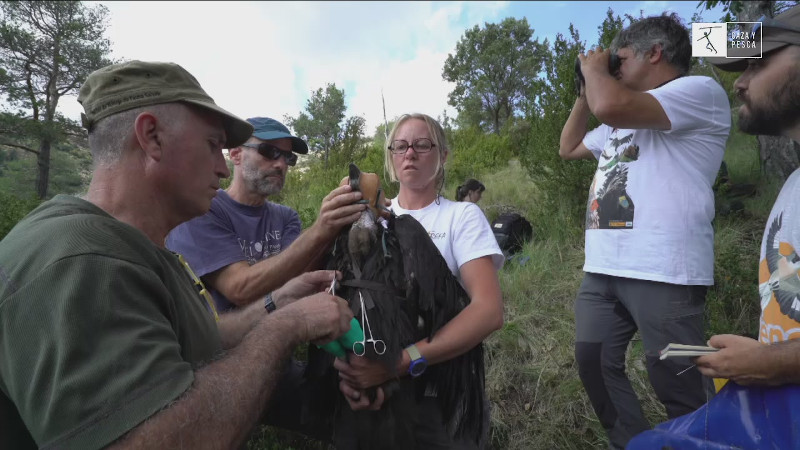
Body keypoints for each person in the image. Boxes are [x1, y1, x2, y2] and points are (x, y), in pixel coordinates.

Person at [0, 60, 357, 449]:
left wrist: (280, 302)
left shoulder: (136, 247)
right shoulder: (80, 261)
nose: (222, 168)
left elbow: (201, 336)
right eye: (211, 145)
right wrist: (287, 327)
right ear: (151, 137)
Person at [626, 6, 800, 447]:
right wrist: (765, 356)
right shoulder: (793, 186)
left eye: (757, 61)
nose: (738, 81)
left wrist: (773, 363)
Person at [558, 14, 731, 449]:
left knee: (679, 381)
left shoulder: (696, 92)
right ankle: (633, 444)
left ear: (654, 53)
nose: (613, 68)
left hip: (663, 268)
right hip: (602, 269)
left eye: (620, 60)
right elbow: (568, 147)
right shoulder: (618, 117)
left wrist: (597, 71)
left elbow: (611, 103)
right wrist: (585, 89)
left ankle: (705, 444)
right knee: (593, 363)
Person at [333, 113, 505, 448]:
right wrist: (349, 373)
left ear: (442, 155)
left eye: (422, 144)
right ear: (391, 157)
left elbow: (488, 312)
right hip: (369, 396)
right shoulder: (367, 219)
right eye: (400, 146)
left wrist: (398, 363)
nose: (409, 153)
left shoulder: (461, 216)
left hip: (438, 399)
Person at [166, 116, 365, 313]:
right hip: (220, 344)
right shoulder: (203, 209)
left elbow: (294, 280)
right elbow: (239, 288)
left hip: (280, 339)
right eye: (269, 151)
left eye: (288, 157)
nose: (281, 165)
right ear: (235, 154)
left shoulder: (287, 217)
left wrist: (338, 225)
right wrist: (321, 229)